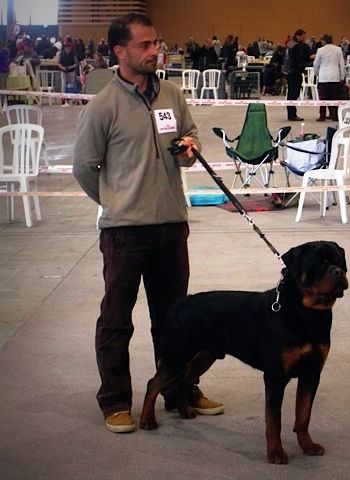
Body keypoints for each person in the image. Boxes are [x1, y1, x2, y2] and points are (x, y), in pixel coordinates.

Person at [73, 13, 223, 434]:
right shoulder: (103, 105)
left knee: (175, 320)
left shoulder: (172, 94)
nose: (154, 51)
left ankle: (178, 391)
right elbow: (84, 166)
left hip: (172, 225)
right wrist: (115, 203)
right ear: (120, 52)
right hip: (124, 232)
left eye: (156, 43)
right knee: (117, 319)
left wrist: (188, 150)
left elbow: (188, 135)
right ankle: (116, 401)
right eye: (144, 45)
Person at [313, 34, 345, 122]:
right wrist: (342, 76)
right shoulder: (338, 49)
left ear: (324, 41)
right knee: (334, 97)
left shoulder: (320, 50)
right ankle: (334, 116)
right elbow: (342, 64)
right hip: (335, 76)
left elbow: (316, 64)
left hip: (323, 76)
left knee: (323, 98)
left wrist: (316, 74)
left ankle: (322, 116)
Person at [283, 28, 311, 121]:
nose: (303, 39)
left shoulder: (289, 44)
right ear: (298, 36)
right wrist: (307, 64)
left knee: (290, 93)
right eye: (303, 37)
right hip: (295, 72)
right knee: (294, 94)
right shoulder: (297, 46)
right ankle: (292, 115)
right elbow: (298, 60)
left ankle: (290, 114)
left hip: (288, 71)